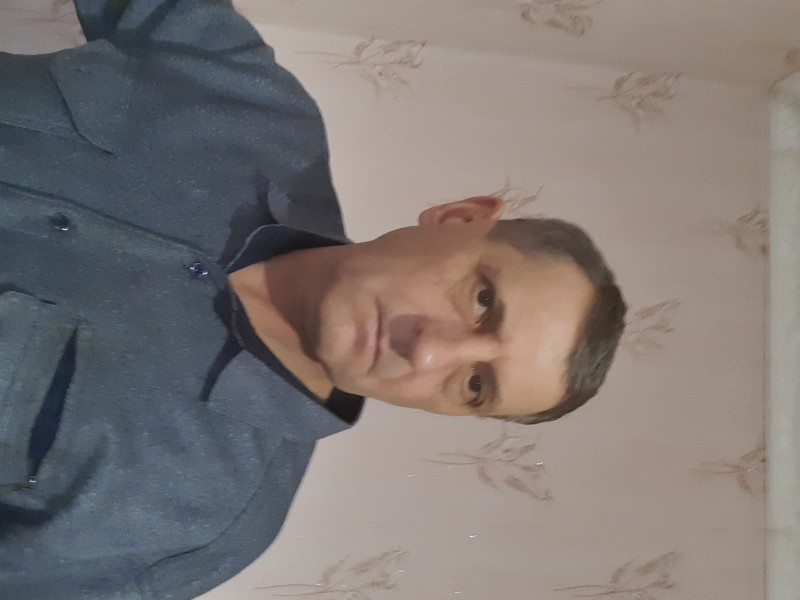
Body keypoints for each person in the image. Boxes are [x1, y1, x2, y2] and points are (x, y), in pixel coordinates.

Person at [0, 1, 626, 599]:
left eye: (475, 386)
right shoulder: (255, 109)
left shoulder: (197, 522)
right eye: (483, 300)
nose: (430, 352)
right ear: (459, 218)